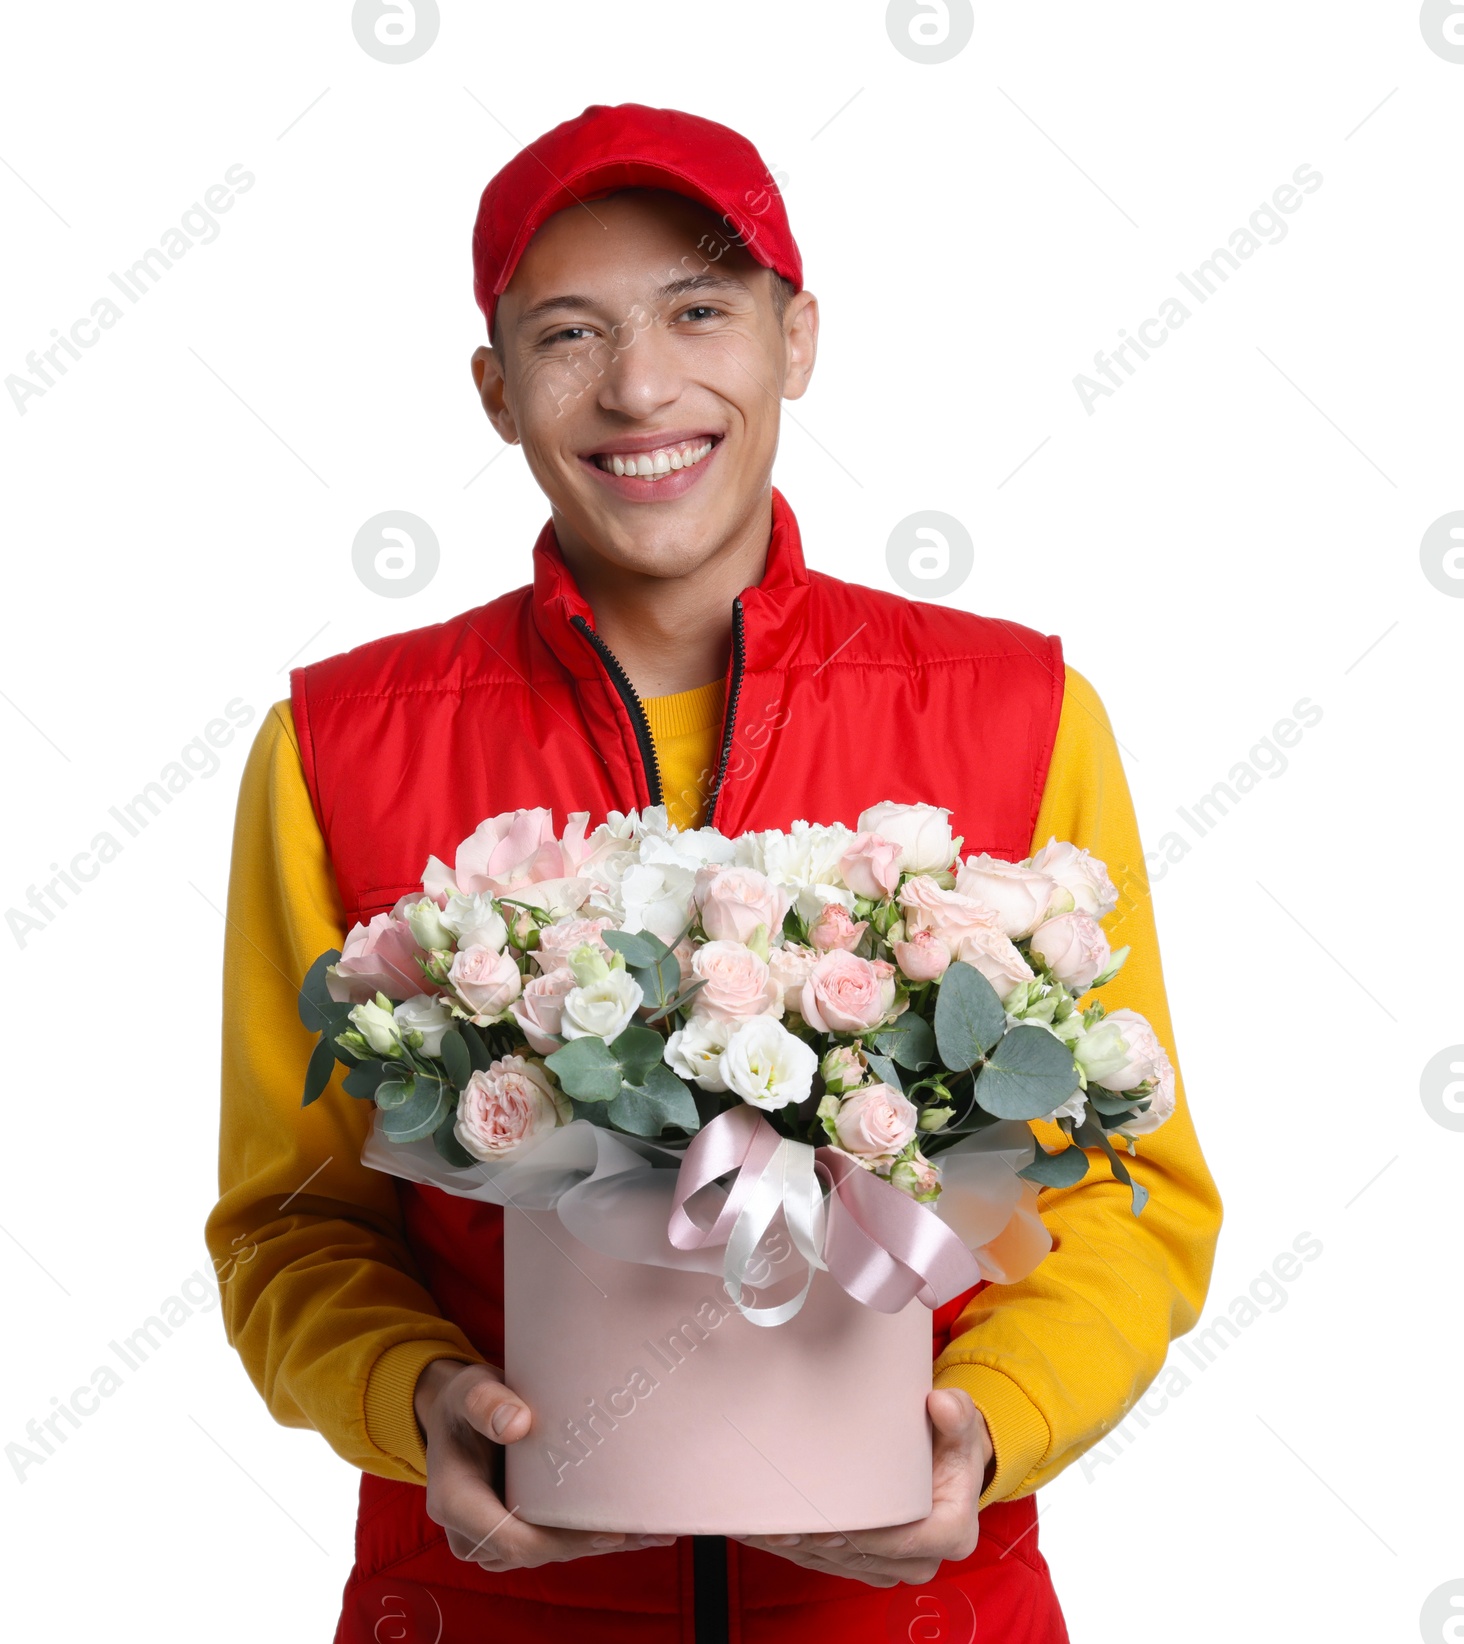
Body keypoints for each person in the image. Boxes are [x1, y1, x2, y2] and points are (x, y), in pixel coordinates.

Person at [205, 101, 1222, 1644]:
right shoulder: (340, 744)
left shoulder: (1019, 716)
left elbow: (1131, 1193)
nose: (640, 386)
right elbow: (295, 1221)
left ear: (795, 338)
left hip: (919, 1613)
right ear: (493, 390)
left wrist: (995, 1419)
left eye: (700, 311)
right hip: (483, 1611)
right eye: (568, 334)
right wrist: (418, 1403)